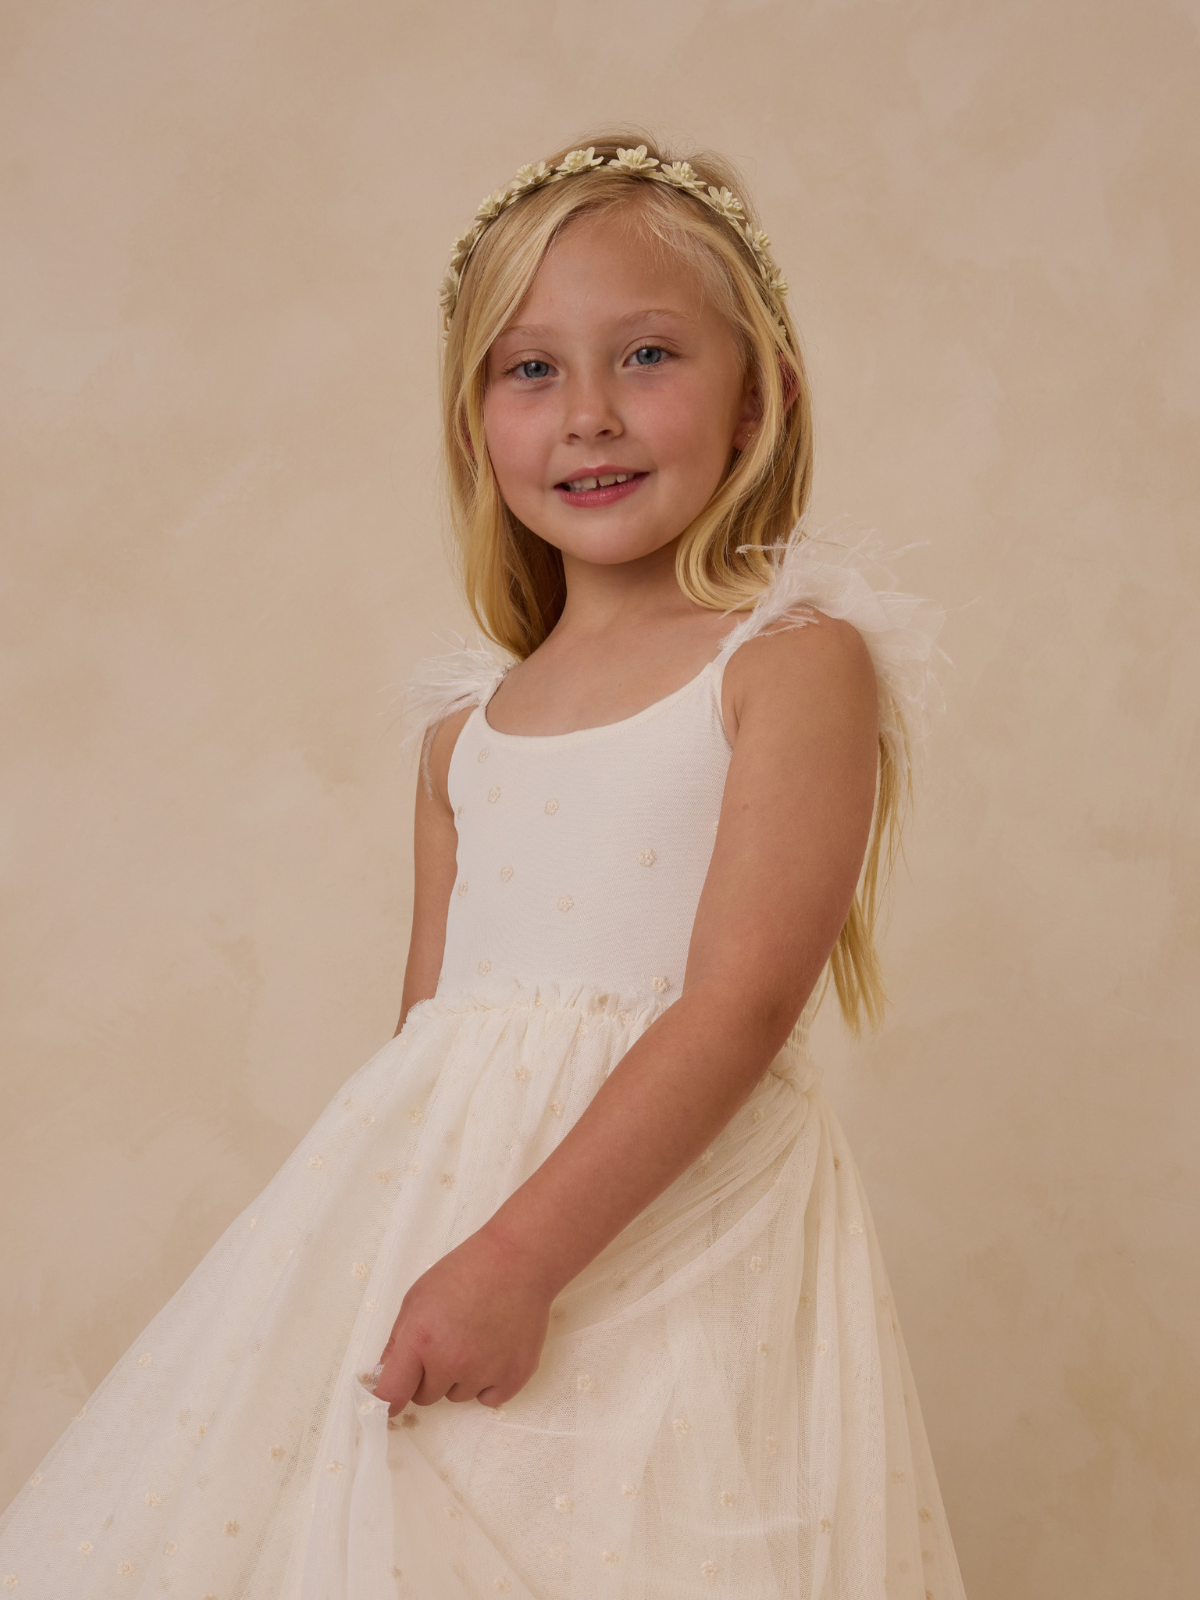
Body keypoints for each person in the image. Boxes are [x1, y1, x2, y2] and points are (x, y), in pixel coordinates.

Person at [0, 133, 966, 1600]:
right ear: (472, 424)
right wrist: (408, 1264)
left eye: (647, 355)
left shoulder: (792, 662)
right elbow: (418, 1056)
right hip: (450, 1236)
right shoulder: (463, 735)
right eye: (530, 372)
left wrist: (522, 1258)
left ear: (761, 389)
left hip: (674, 1248)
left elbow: (739, 1005)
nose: (589, 415)